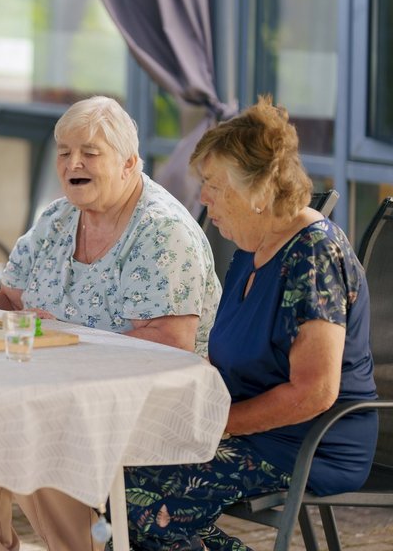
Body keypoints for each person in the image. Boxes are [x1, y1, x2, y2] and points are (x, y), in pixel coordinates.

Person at [0, 95, 221, 551]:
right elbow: (15, 300)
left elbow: (168, 346)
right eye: (65, 152)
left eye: (90, 152)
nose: (74, 163)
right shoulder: (57, 217)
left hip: (144, 405)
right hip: (61, 393)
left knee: (27, 432)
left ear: (129, 163)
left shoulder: (162, 232)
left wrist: (64, 337)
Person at [120, 96, 378, 551]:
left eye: (214, 185)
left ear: (259, 192)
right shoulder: (251, 252)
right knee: (115, 466)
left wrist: (219, 424)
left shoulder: (314, 256)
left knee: (141, 497)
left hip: (306, 442)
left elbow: (315, 391)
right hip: (249, 429)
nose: (203, 199)